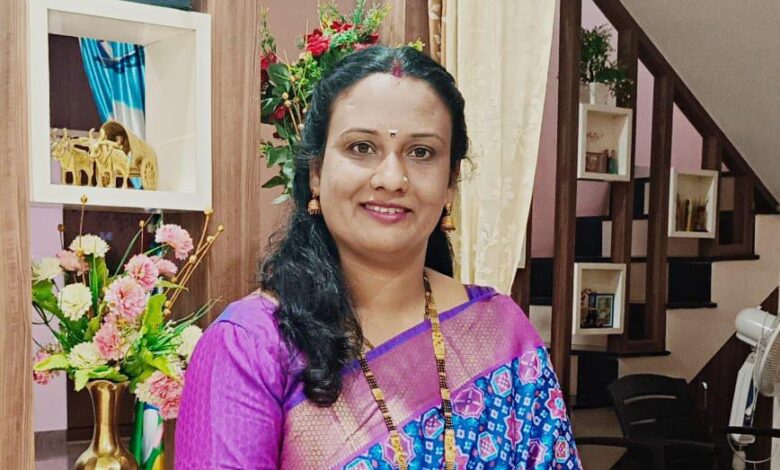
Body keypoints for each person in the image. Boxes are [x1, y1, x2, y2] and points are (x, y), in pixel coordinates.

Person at [175, 45, 581, 470]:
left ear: (450, 184)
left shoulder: (500, 333)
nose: (391, 178)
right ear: (316, 172)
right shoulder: (250, 347)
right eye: (361, 147)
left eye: (421, 152)